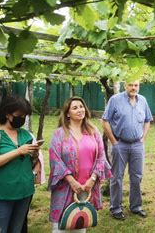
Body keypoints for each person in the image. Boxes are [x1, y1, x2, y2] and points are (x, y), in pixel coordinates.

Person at [48, 97, 111, 232]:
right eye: (75, 108)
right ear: (67, 113)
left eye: (81, 106)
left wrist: (92, 179)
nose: (80, 110)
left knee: (80, 223)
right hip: (65, 187)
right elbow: (55, 159)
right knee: (62, 226)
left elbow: (101, 157)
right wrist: (71, 181)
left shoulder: (93, 131)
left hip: (87, 187)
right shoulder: (59, 134)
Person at [0, 95, 40, 233]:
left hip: (25, 192)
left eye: (24, 116)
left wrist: (34, 155)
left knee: (17, 229)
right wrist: (18, 151)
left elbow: (29, 162)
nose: (22, 119)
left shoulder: (26, 135)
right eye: (18, 115)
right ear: (7, 113)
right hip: (1, 193)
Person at [102, 81, 153, 220]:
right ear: (125, 86)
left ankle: (136, 206)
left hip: (137, 145)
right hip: (120, 144)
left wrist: (143, 137)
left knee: (137, 176)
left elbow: (148, 120)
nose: (133, 88)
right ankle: (116, 208)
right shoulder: (115, 100)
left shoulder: (142, 100)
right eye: (130, 85)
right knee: (117, 177)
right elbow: (105, 120)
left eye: (136, 85)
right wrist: (113, 141)